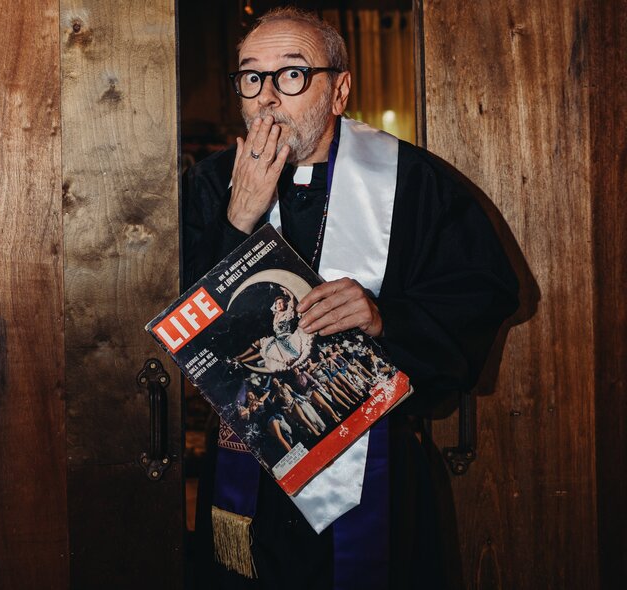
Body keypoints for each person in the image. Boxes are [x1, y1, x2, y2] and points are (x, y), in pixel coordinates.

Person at [183, 7, 519, 590]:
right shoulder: (210, 186)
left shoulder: (413, 184)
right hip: (250, 473)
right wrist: (237, 224)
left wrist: (385, 318)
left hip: (376, 471)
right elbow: (183, 331)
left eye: (291, 75)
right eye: (251, 77)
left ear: (338, 91)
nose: (267, 97)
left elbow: (477, 298)